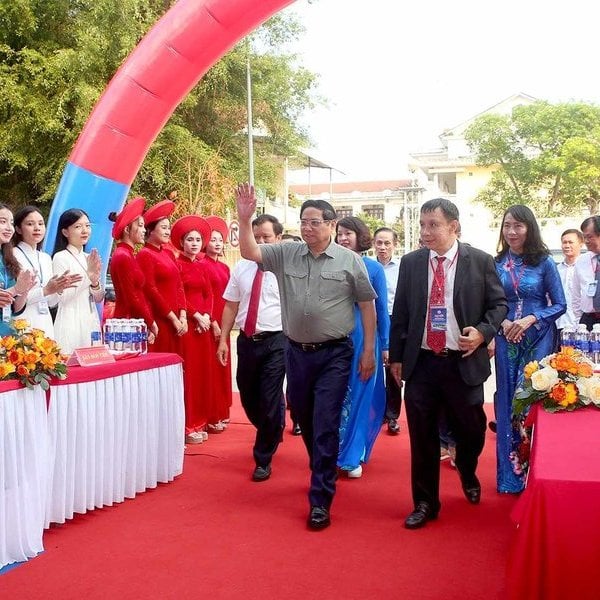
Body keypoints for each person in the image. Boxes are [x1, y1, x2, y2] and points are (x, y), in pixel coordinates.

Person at [236, 183, 377, 531]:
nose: (307, 227)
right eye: (303, 221)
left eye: (314, 222)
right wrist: (244, 218)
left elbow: (366, 304)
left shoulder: (349, 260)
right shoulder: (286, 253)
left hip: (335, 354)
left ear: (331, 224)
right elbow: (250, 252)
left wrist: (370, 350)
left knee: (326, 421)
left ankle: (320, 499)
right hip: (296, 352)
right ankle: (322, 467)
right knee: (306, 417)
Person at [389, 198, 507, 529]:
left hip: (463, 361)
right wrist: (396, 357)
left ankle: (467, 468)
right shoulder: (412, 263)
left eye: (433, 225)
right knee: (423, 437)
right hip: (423, 363)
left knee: (472, 429)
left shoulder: (479, 261)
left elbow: (499, 305)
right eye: (423, 224)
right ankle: (426, 502)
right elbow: (401, 314)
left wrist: (482, 333)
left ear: (453, 226)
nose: (425, 231)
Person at [493, 205, 566, 493]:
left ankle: (537, 475)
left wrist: (533, 317)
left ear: (529, 228)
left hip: (538, 337)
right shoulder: (495, 263)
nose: (511, 232)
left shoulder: (545, 262)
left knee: (533, 400)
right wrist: (505, 320)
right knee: (507, 401)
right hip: (506, 337)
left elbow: (560, 305)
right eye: (507, 225)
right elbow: (491, 303)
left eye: (518, 226)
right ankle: (510, 477)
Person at [217, 214, 286, 481]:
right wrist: (223, 338)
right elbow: (231, 305)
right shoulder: (242, 268)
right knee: (247, 395)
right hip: (246, 340)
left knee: (269, 397)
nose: (259, 242)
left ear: (278, 239)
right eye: (255, 237)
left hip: (277, 340)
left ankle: (263, 457)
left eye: (265, 237)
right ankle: (272, 426)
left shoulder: (285, 269)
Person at [335, 217, 389, 478]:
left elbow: (381, 312)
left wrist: (385, 346)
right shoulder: (330, 264)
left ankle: (352, 454)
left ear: (360, 236)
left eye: (348, 233)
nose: (343, 238)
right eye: (340, 233)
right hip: (334, 339)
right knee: (335, 396)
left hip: (364, 340)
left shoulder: (373, 268)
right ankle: (334, 448)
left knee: (360, 394)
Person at [171, 215, 214, 445]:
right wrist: (196, 315)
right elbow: (178, 295)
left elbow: (209, 294)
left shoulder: (202, 265)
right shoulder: (177, 264)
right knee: (190, 374)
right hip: (188, 326)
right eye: (190, 239)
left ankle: (200, 420)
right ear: (181, 242)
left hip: (202, 327)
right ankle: (187, 424)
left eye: (198, 239)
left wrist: (207, 315)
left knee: (202, 373)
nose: (195, 243)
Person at [13, 205, 81, 337]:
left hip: (45, 323)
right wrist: (46, 290)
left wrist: (59, 288)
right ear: (18, 229)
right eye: (30, 224)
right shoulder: (13, 255)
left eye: (40, 223)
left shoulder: (45, 258)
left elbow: (51, 302)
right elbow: (14, 301)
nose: (37, 228)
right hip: (22, 323)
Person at [136, 200, 187, 355]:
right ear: (150, 230)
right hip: (161, 320)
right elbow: (150, 290)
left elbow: (179, 285)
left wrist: (183, 315)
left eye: (169, 228)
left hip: (177, 320)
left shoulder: (168, 253)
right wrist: (173, 318)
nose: (167, 232)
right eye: (163, 228)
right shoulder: (144, 254)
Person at [52, 209, 105, 354]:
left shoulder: (89, 257)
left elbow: (99, 298)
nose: (84, 230)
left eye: (87, 226)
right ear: (65, 232)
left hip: (90, 318)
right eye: (78, 226)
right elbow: (63, 297)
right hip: (70, 320)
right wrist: (88, 275)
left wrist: (94, 282)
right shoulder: (61, 257)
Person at [108, 196, 157, 343]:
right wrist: (150, 322)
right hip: (127, 324)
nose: (144, 230)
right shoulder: (123, 256)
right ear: (127, 229)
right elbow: (133, 296)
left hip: (131, 322)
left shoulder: (126, 254)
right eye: (140, 225)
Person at [202, 216, 232, 433]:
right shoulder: (201, 264)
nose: (217, 243)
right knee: (211, 367)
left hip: (226, 319)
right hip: (211, 320)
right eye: (213, 239)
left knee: (224, 366)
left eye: (220, 239)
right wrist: (213, 321)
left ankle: (222, 410)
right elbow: (206, 296)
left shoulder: (224, 267)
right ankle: (211, 414)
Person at [373, 226, 402, 435]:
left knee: (393, 369)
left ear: (395, 245)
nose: (382, 247)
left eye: (387, 243)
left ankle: (392, 415)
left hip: (394, 321)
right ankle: (374, 413)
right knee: (372, 369)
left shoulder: (402, 268)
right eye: (379, 243)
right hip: (370, 321)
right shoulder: (367, 267)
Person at [0, 204, 35, 335]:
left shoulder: (9, 259)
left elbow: (15, 308)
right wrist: (15, 289)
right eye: (3, 222)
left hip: (8, 336)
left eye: (11, 222)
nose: (9, 228)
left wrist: (24, 290)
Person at [570, 216, 600, 330]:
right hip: (588, 320)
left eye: (590, 237)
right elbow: (576, 294)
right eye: (584, 237)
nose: (586, 241)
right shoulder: (582, 260)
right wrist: (578, 320)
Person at [555, 228, 584, 338]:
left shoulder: (586, 268)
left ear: (581, 244)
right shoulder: (556, 269)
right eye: (564, 242)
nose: (566, 245)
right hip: (559, 324)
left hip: (581, 326)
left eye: (570, 242)